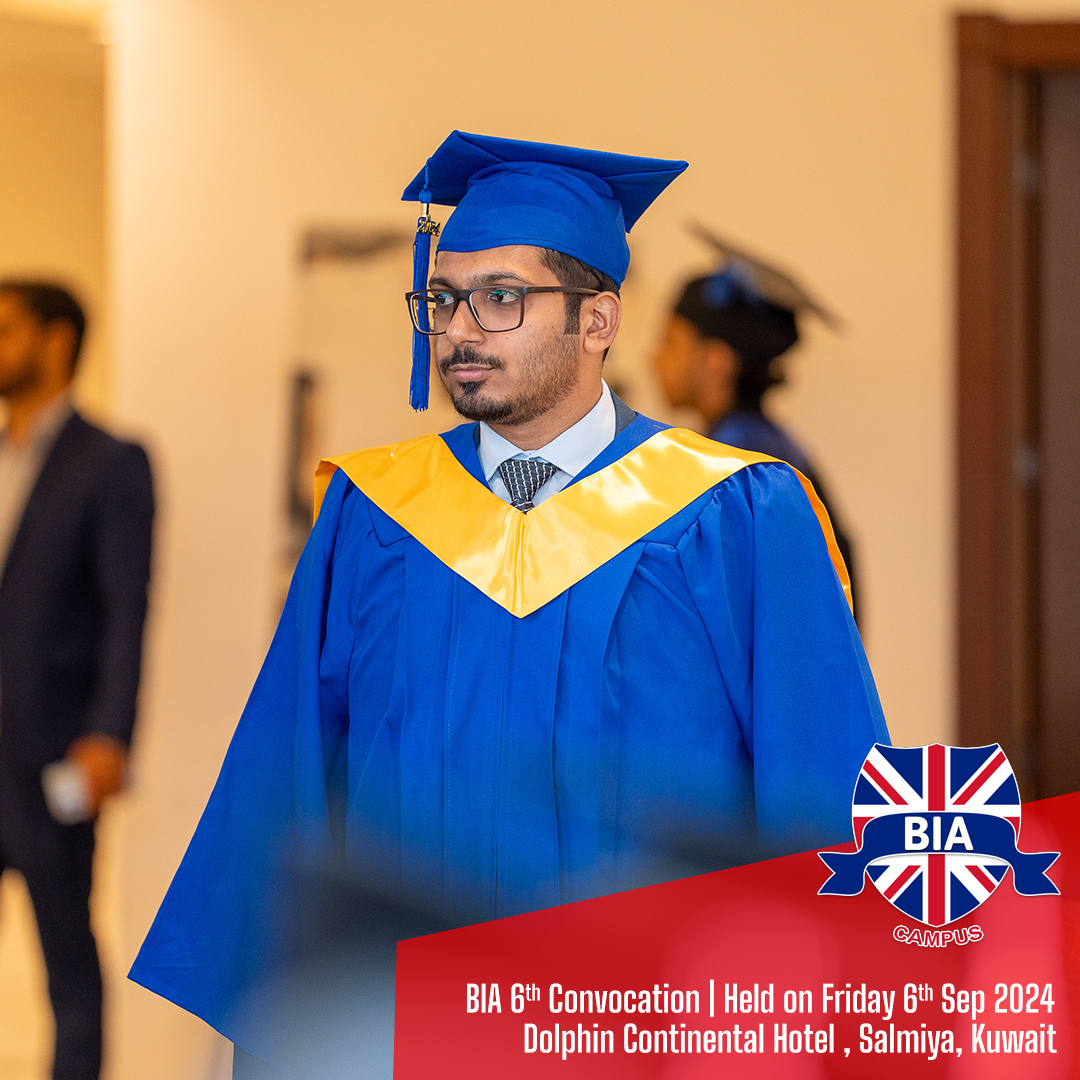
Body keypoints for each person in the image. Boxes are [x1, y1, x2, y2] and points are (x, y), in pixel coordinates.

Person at [129, 132, 888, 1075]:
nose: (459, 330)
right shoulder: (374, 514)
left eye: (500, 298)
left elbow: (821, 784)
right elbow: (285, 775)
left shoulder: (736, 514)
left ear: (597, 320)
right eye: (442, 300)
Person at [0, 281, 154, 1080]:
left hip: (53, 753)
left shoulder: (110, 463)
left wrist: (110, 735)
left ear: (56, 341)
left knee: (65, 952)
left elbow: (127, 607)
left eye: (6, 329)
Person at [652, 228, 860, 616]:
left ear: (716, 362)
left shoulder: (741, 466)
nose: (653, 358)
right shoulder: (769, 447)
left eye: (671, 342)